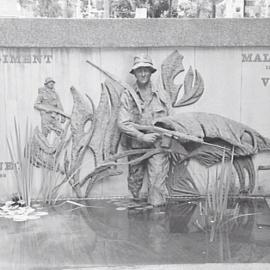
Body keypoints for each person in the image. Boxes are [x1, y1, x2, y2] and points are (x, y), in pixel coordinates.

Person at [118, 55, 171, 206]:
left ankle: (157, 219)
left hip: (157, 147)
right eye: (139, 70)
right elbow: (122, 123)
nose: (143, 74)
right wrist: (141, 136)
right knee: (135, 187)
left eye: (146, 70)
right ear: (134, 73)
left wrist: (165, 141)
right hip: (136, 147)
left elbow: (171, 122)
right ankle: (137, 224)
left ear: (151, 72)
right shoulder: (127, 95)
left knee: (156, 188)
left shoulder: (162, 95)